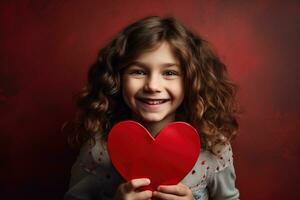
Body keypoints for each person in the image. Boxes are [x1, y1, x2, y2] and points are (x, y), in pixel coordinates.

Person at [64, 15, 240, 200]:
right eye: (138, 72)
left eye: (170, 73)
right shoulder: (98, 150)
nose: (152, 86)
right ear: (118, 78)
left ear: (191, 81)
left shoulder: (214, 147)